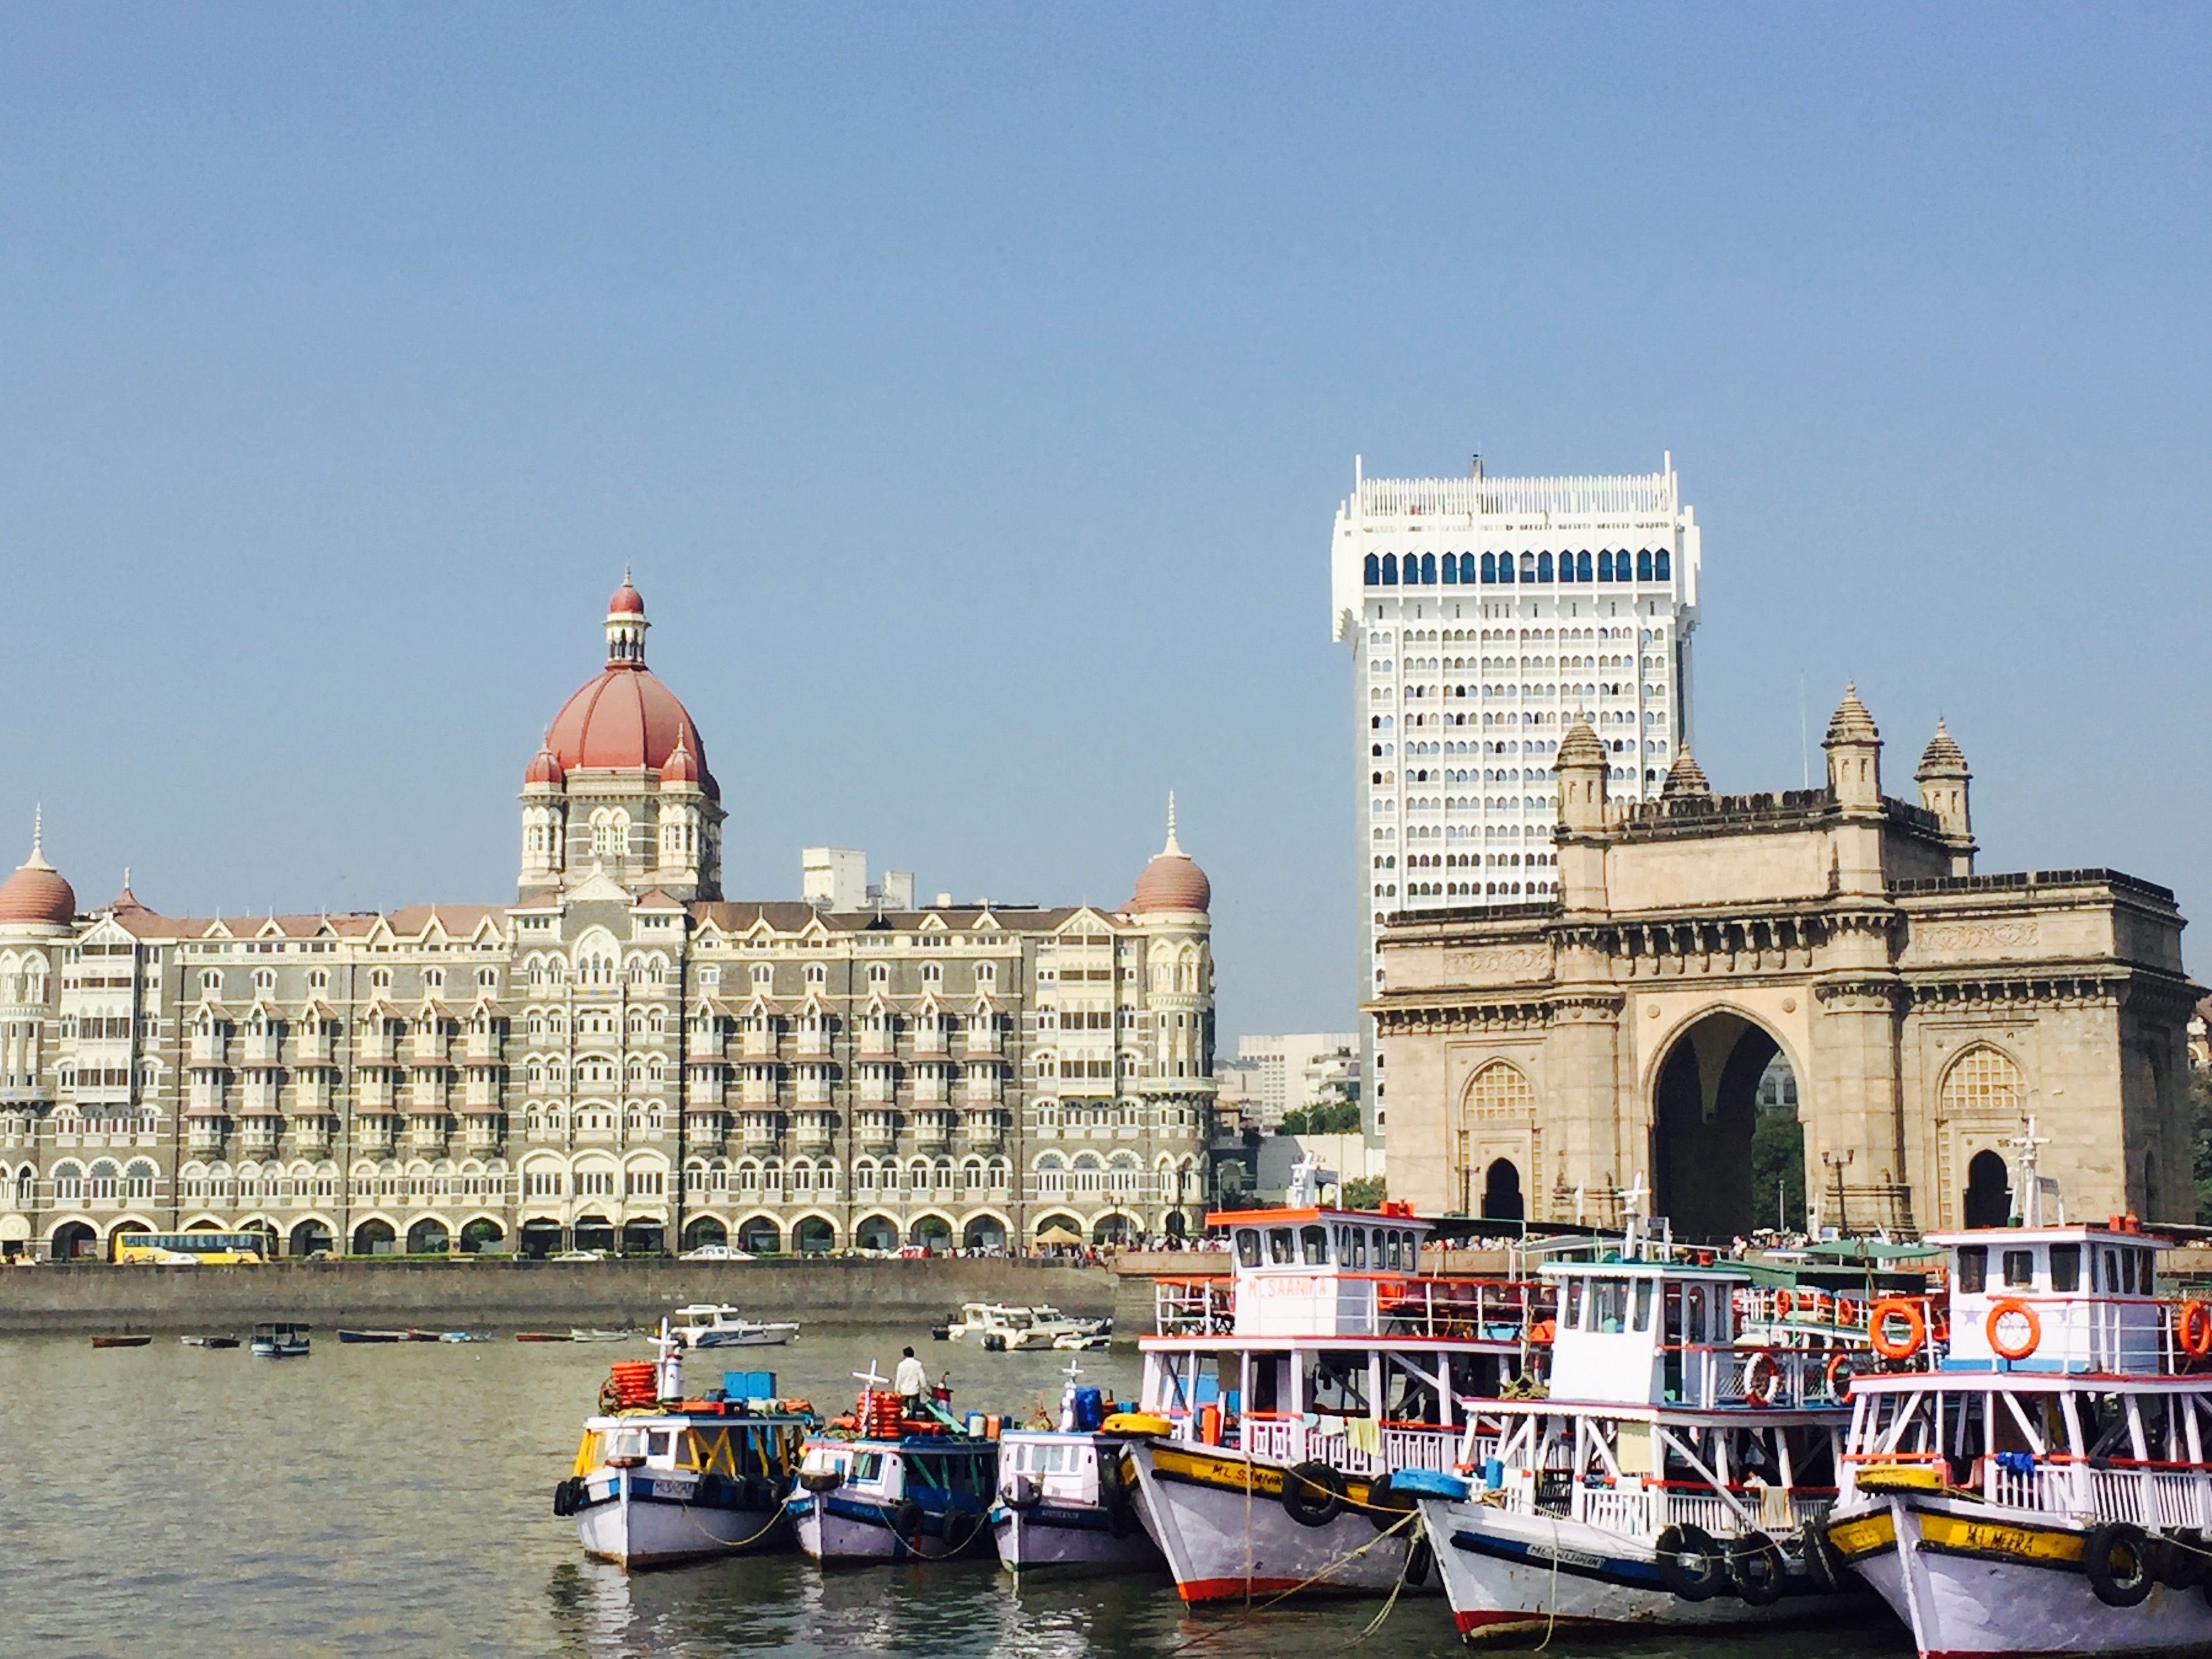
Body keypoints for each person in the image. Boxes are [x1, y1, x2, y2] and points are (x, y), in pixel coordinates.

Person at [894, 1346, 927, 1418]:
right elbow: (922, 1377)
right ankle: (912, 1420)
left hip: (904, 1391)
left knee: (904, 1410)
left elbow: (899, 1379)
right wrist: (924, 1388)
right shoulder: (918, 1364)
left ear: (904, 1355)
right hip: (914, 1390)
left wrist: (896, 1390)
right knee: (913, 1410)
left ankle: (906, 1421)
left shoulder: (901, 1365)